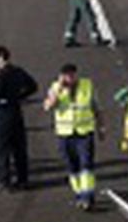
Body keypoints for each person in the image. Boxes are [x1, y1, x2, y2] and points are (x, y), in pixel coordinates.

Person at [42, 63, 99, 209]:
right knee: (72, 167)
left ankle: (88, 196)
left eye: (72, 75)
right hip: (65, 133)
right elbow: (48, 106)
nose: (70, 78)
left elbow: (95, 106)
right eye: (66, 76)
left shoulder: (87, 85)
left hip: (84, 131)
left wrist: (101, 126)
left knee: (86, 164)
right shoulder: (56, 88)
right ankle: (79, 194)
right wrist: (59, 90)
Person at [0, 46, 38, 190]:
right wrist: (19, 96)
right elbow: (33, 86)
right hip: (16, 110)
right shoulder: (18, 71)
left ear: (0, 57)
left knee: (1, 148)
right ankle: (23, 179)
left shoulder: (0, 76)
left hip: (3, 113)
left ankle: (4, 180)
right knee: (19, 147)